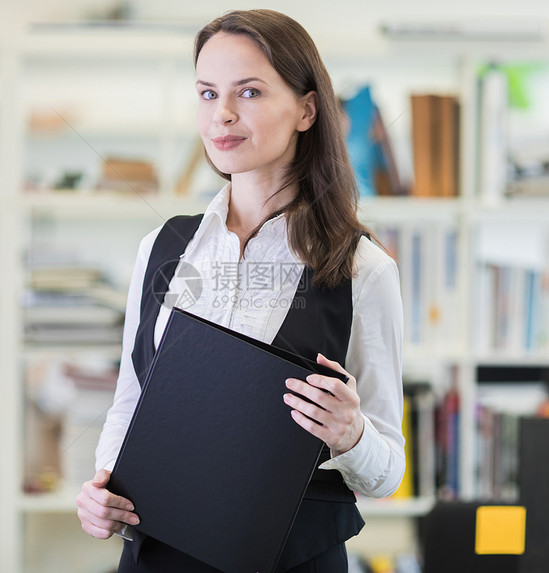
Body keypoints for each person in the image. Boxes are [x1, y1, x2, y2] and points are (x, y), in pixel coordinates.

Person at [76, 9, 405, 572]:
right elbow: (131, 401)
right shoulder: (163, 247)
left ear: (306, 109)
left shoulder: (363, 270)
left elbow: (388, 471)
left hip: (292, 557)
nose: (222, 115)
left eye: (249, 92)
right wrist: (103, 489)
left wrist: (351, 435)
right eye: (207, 93)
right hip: (159, 551)